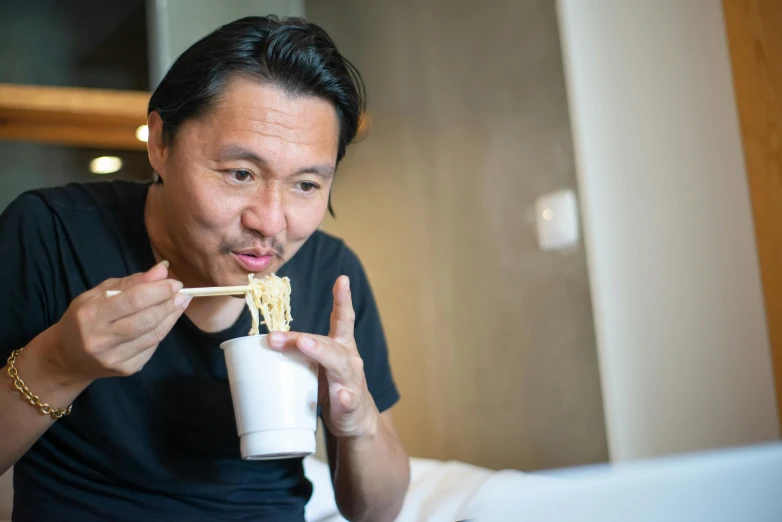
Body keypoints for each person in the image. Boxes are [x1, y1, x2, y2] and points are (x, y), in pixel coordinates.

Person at [0, 15, 410, 522]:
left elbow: (378, 513)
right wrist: (58, 363)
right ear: (160, 143)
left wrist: (358, 418)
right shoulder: (49, 232)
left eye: (305, 185)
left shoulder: (331, 273)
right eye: (240, 173)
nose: (270, 222)